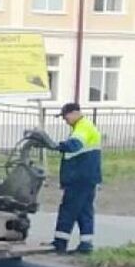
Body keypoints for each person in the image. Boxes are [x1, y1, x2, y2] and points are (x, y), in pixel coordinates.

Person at [51, 103, 102, 254]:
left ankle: (60, 243)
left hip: (79, 178)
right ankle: (86, 245)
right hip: (88, 177)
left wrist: (56, 146)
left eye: (65, 116)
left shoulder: (83, 127)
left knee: (68, 209)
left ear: (74, 113)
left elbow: (75, 145)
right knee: (84, 211)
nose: (65, 120)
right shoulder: (86, 126)